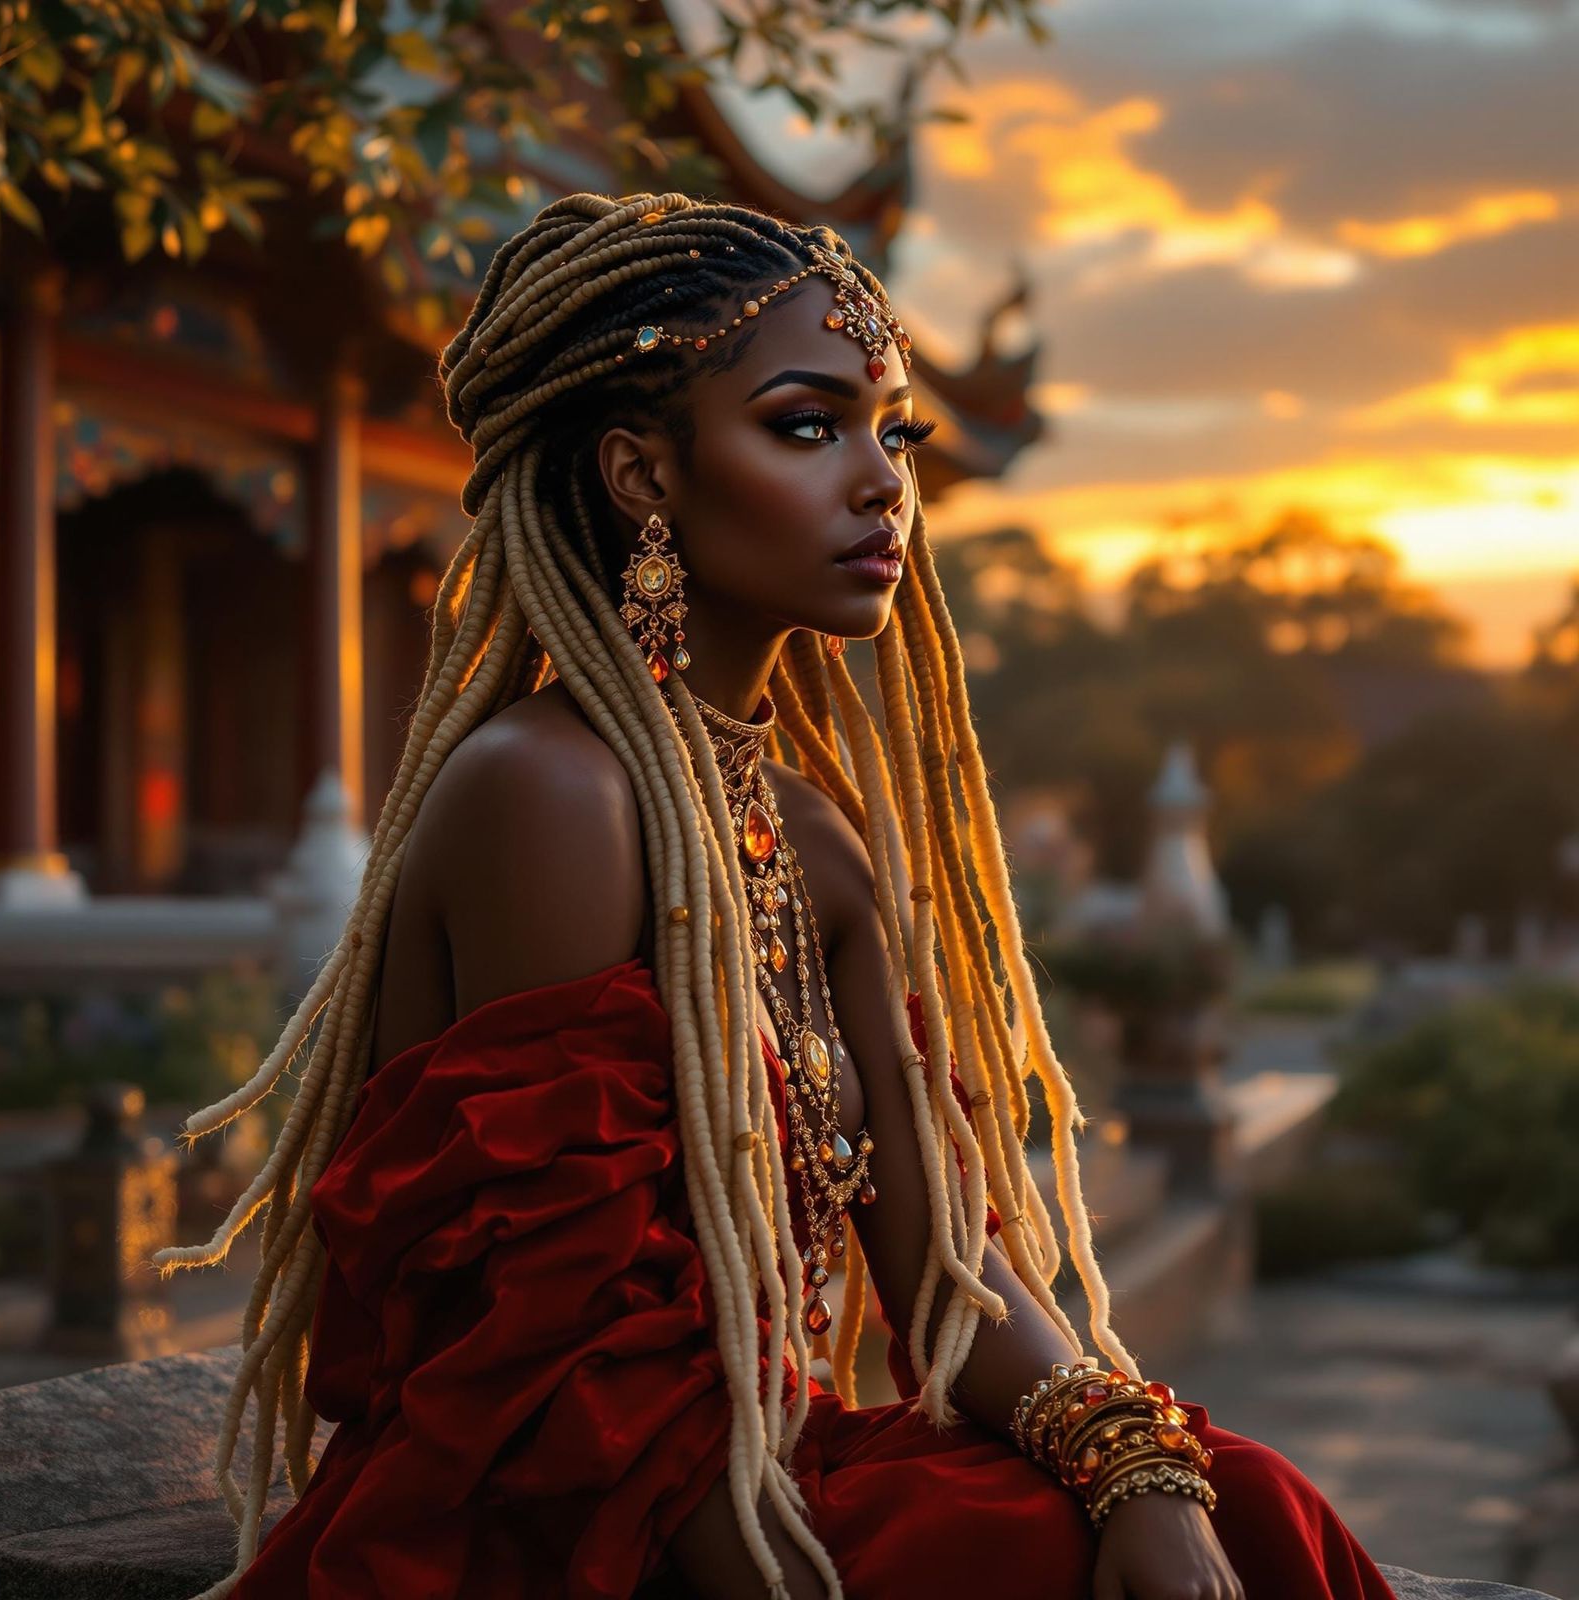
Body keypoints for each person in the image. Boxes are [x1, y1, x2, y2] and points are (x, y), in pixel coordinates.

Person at [152, 192, 1397, 1600]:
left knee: (1249, 1506)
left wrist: (1131, 1462)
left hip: (765, 1466)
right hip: (561, 1515)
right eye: (808, 427)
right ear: (643, 475)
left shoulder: (813, 835)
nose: (882, 484)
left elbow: (952, 1272)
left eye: (894, 432)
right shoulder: (552, 796)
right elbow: (568, 1351)